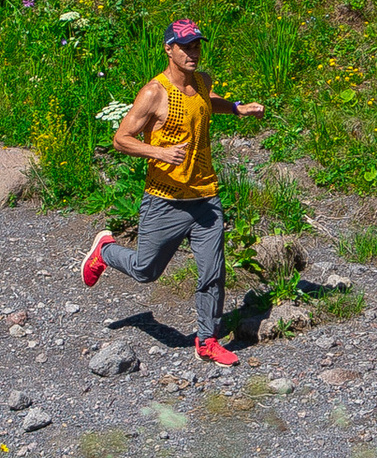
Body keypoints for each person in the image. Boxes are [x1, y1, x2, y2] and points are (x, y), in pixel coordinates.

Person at [81, 18, 265, 366]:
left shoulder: (201, 81)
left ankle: (207, 339)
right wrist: (159, 152)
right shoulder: (155, 92)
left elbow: (208, 101)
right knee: (146, 271)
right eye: (185, 46)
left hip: (205, 197)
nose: (193, 52)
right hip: (165, 199)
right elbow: (121, 139)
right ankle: (105, 251)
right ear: (169, 49)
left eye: (197, 45)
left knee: (213, 271)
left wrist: (237, 108)